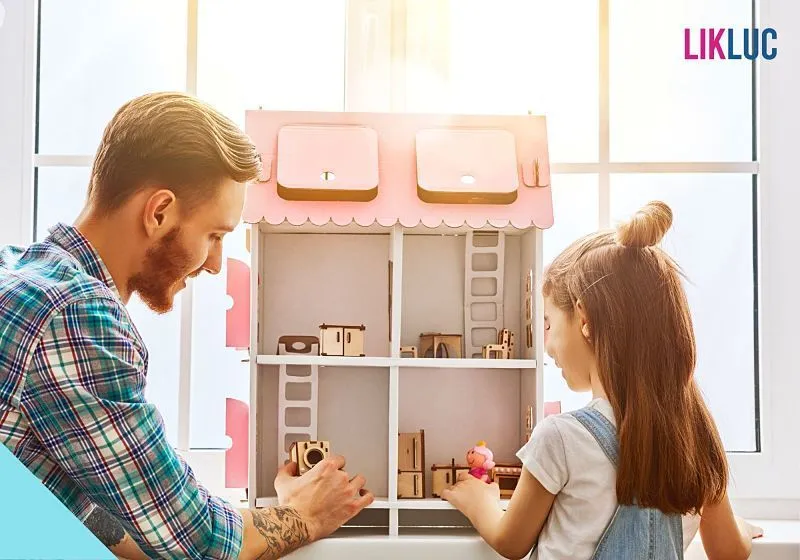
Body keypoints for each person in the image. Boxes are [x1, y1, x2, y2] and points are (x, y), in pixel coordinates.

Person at [0, 92, 373, 560]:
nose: (216, 264)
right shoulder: (76, 314)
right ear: (159, 213)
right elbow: (198, 545)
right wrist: (305, 514)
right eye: (214, 235)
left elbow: (82, 510)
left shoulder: (16, 273)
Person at [442, 201, 760, 559]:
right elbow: (730, 551)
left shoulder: (561, 436)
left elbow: (511, 541)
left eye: (548, 324)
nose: (547, 347)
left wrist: (480, 502)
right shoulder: (694, 436)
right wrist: (743, 527)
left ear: (585, 319)